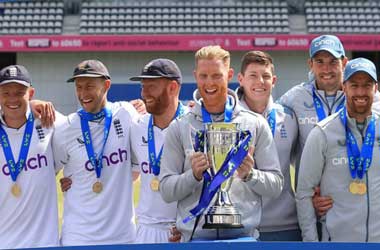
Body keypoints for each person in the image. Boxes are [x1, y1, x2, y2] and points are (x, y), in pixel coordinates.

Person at [159, 45, 283, 242]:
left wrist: (251, 175)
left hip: (243, 238)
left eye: (217, 75)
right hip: (195, 239)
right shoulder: (180, 127)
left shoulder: (255, 123)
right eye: (204, 75)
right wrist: (193, 176)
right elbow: (166, 189)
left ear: (230, 74)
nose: (209, 83)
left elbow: (276, 185)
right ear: (195, 76)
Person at [52, 59, 139, 246]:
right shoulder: (65, 127)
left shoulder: (126, 114)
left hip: (122, 237)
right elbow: (44, 171)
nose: (83, 94)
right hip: (79, 238)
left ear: (106, 85)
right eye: (79, 87)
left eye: (89, 86)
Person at [296, 58, 380, 242]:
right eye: (354, 85)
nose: (360, 92)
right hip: (338, 242)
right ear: (344, 87)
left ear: (376, 88)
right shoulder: (323, 132)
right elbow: (304, 193)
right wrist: (311, 243)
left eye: (366, 85)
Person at [277, 34, 349, 216]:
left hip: (353, 202)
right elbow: (262, 113)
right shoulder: (294, 98)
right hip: (310, 206)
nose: (326, 68)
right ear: (310, 64)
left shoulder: (360, 96)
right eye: (320, 61)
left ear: (344, 62)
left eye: (333, 61)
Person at [236, 51, 300, 241]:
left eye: (265, 76)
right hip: (240, 225)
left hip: (285, 224)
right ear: (241, 79)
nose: (260, 82)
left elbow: (302, 165)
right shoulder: (228, 119)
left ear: (274, 81)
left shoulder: (288, 117)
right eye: (253, 76)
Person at [0, 65, 59, 248]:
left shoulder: (50, 122)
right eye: (6, 93)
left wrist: (134, 105)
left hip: (44, 242)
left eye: (20, 93)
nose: (12, 98)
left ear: (31, 93)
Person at [129, 58, 186, 243]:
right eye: (143, 86)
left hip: (180, 231)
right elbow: (130, 173)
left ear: (173, 88)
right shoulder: (136, 126)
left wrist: (189, 224)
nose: (145, 93)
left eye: (151, 86)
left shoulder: (192, 125)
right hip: (145, 230)